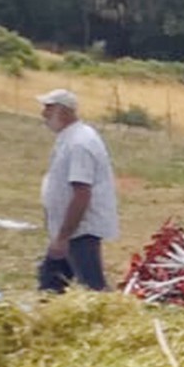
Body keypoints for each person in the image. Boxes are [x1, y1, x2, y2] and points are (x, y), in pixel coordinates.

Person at [36, 88, 119, 292]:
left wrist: (64, 236)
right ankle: (48, 313)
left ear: (63, 111)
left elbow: (82, 193)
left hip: (81, 229)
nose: (43, 114)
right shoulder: (70, 138)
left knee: (92, 286)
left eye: (48, 108)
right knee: (51, 278)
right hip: (71, 228)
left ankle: (109, 316)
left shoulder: (80, 143)